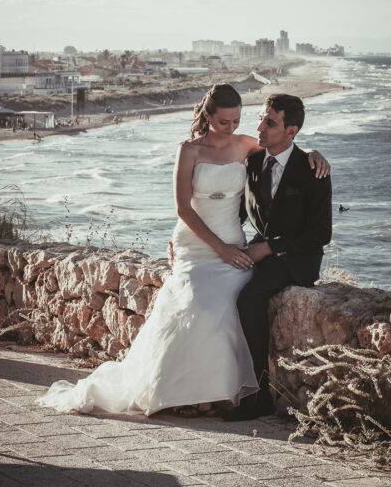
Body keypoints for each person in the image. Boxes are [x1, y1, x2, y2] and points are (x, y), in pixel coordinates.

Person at [37, 85, 329, 417]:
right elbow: (184, 209)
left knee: (234, 300)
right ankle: (183, 391)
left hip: (237, 243)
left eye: (238, 121)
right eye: (225, 122)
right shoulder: (196, 150)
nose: (236, 128)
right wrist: (213, 246)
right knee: (198, 303)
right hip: (198, 244)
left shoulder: (249, 146)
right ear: (207, 116)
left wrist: (314, 155)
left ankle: (222, 393)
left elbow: (288, 157)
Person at [225, 93, 332, 421]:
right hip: (261, 253)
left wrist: (270, 246)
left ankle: (259, 395)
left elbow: (320, 234)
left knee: (249, 298)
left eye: (270, 122)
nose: (259, 127)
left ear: (291, 131)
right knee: (217, 286)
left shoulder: (313, 169)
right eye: (261, 118)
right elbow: (241, 213)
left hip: (295, 260)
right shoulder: (254, 162)